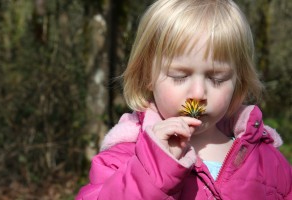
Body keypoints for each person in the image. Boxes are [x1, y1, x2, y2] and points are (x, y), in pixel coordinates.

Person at [76, 0, 292, 199]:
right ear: (147, 78)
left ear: (238, 82)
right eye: (180, 76)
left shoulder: (264, 159)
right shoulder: (125, 156)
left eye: (216, 79)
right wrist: (153, 170)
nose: (198, 94)